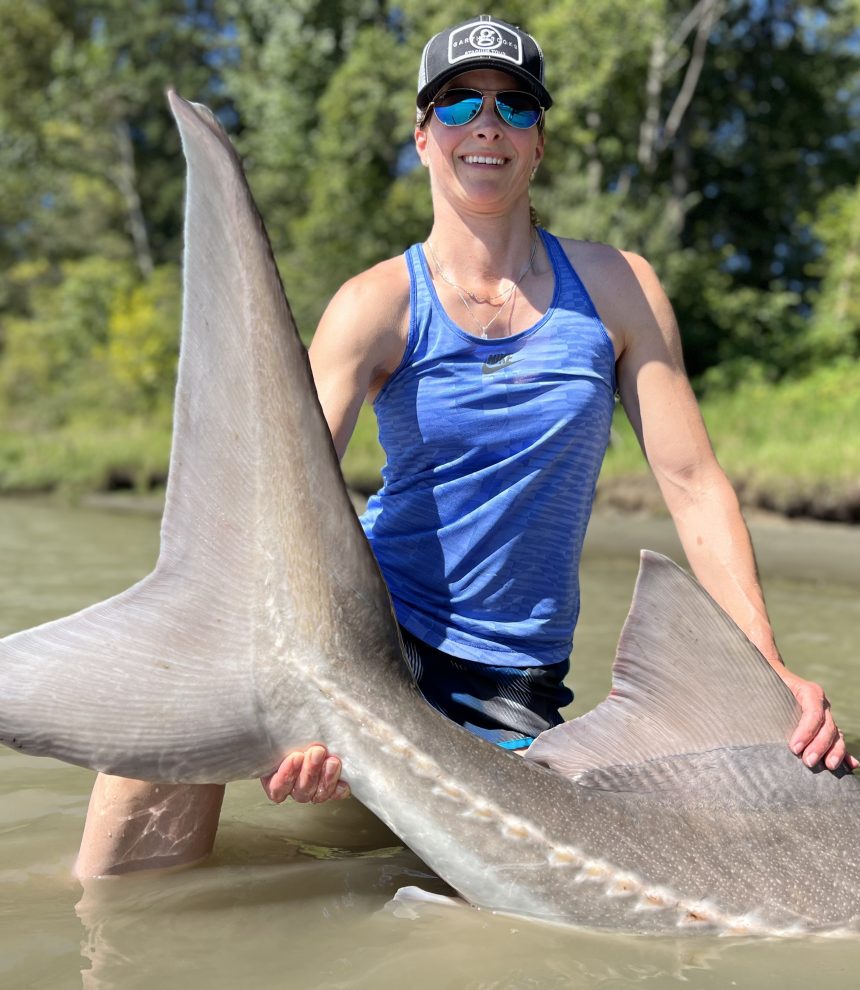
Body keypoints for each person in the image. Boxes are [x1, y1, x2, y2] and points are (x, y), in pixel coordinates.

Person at [76, 15, 855, 877]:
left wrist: (767, 669)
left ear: (539, 143)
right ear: (423, 136)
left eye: (515, 105)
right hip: (372, 639)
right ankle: (104, 939)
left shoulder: (619, 288)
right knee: (167, 718)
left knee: (659, 849)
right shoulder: (375, 304)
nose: (487, 123)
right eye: (458, 102)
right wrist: (289, 684)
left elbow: (694, 483)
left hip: (511, 687)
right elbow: (264, 511)